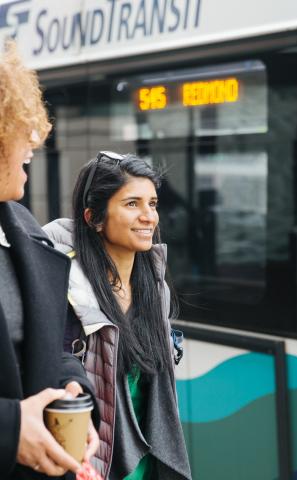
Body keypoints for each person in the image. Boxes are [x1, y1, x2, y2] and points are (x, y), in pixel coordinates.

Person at [44, 151, 192, 479]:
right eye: (131, 204)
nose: (148, 217)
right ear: (93, 218)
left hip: (151, 467)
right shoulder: (64, 291)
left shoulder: (155, 289)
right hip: (94, 467)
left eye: (152, 204)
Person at [0, 41, 99, 479]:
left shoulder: (21, 226)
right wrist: (7, 430)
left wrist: (74, 391)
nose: (35, 141)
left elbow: (52, 345)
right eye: (21, 125)